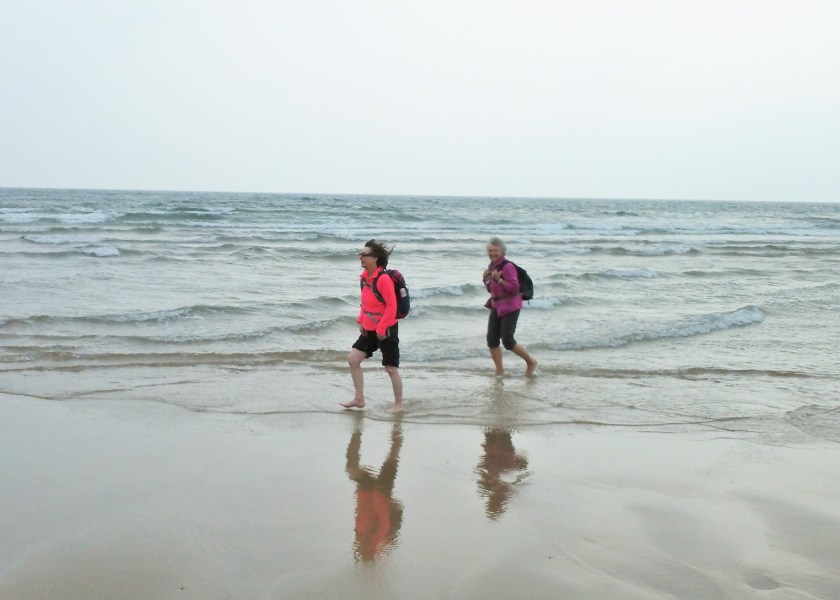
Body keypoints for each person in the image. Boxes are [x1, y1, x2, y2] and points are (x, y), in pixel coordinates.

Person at [341, 239, 404, 411]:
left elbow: (392, 306)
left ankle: (398, 404)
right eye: (360, 254)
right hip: (369, 329)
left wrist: (382, 328)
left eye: (364, 254)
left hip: (387, 329)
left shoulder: (383, 279)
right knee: (353, 360)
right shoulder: (363, 278)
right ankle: (359, 399)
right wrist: (361, 320)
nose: (360, 257)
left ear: (375, 258)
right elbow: (366, 303)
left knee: (391, 368)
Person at [345, 414, 404, 561]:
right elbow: (387, 519)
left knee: (351, 468)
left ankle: (357, 430)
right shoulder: (380, 541)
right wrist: (383, 498)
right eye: (360, 551)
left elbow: (360, 511)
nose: (357, 548)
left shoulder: (360, 536)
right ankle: (398, 427)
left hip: (369, 493)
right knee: (391, 459)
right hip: (382, 499)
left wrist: (362, 491)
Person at [483, 236, 538, 377]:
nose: (492, 253)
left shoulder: (508, 267)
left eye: (495, 250)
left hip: (510, 306)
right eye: (490, 250)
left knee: (507, 341)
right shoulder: (492, 267)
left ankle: (531, 362)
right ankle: (500, 370)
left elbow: (514, 288)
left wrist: (499, 279)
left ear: (502, 252)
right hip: (496, 305)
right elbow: (492, 290)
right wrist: (486, 280)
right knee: (491, 340)